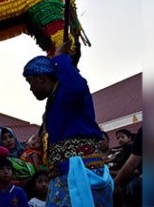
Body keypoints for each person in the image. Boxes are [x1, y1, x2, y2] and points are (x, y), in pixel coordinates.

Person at [22, 40, 113, 206]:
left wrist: (61, 59)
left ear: (41, 78)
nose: (30, 89)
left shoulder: (68, 90)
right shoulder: (56, 99)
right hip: (66, 173)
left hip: (81, 173)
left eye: (31, 82)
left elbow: (77, 86)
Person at [113, 127, 142, 207]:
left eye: (122, 137)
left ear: (129, 138)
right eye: (118, 138)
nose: (120, 140)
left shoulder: (130, 148)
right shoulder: (122, 150)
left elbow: (132, 164)